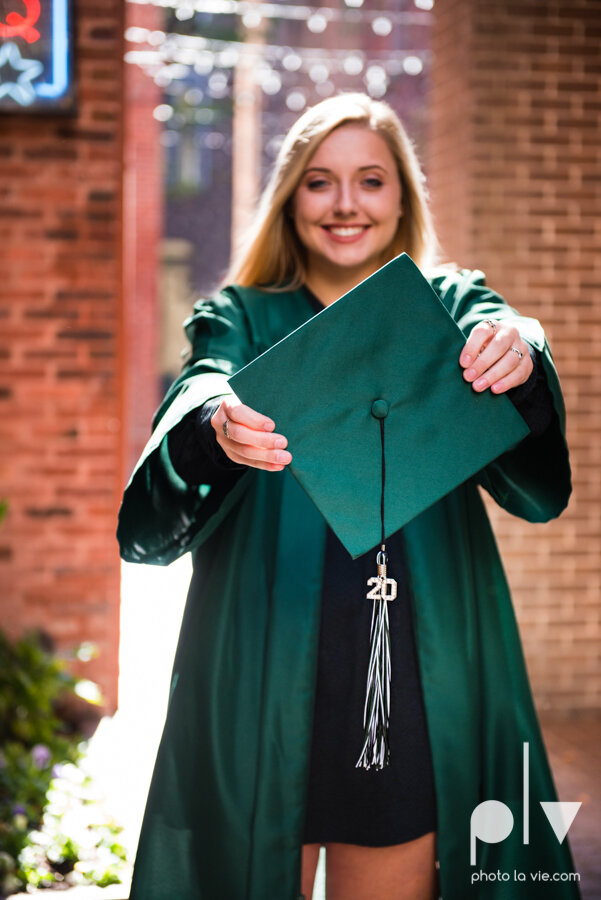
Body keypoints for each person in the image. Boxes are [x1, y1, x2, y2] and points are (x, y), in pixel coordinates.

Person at [117, 94, 579, 899]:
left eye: (370, 180)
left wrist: (521, 349)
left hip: (407, 669)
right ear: (289, 198)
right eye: (318, 182)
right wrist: (214, 421)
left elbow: (508, 336)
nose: (344, 204)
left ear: (402, 196)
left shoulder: (447, 306)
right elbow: (200, 386)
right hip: (264, 657)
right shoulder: (243, 319)